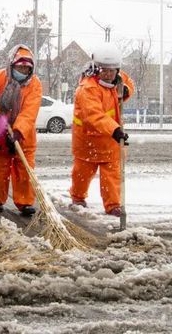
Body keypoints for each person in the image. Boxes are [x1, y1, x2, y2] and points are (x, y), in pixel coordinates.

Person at [68, 42, 134, 217]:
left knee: (111, 177)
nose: (109, 74)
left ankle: (113, 205)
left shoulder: (119, 80)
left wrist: (126, 91)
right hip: (88, 141)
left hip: (110, 142)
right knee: (81, 175)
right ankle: (78, 198)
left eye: (113, 70)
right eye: (105, 70)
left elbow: (128, 85)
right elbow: (94, 115)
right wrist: (115, 130)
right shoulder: (87, 89)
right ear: (96, 69)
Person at [0, 44, 42, 216]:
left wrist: (17, 131)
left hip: (22, 137)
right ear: (12, 65)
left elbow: (30, 112)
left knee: (24, 170)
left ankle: (25, 202)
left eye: (26, 67)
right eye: (20, 66)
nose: (23, 70)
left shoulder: (35, 85)